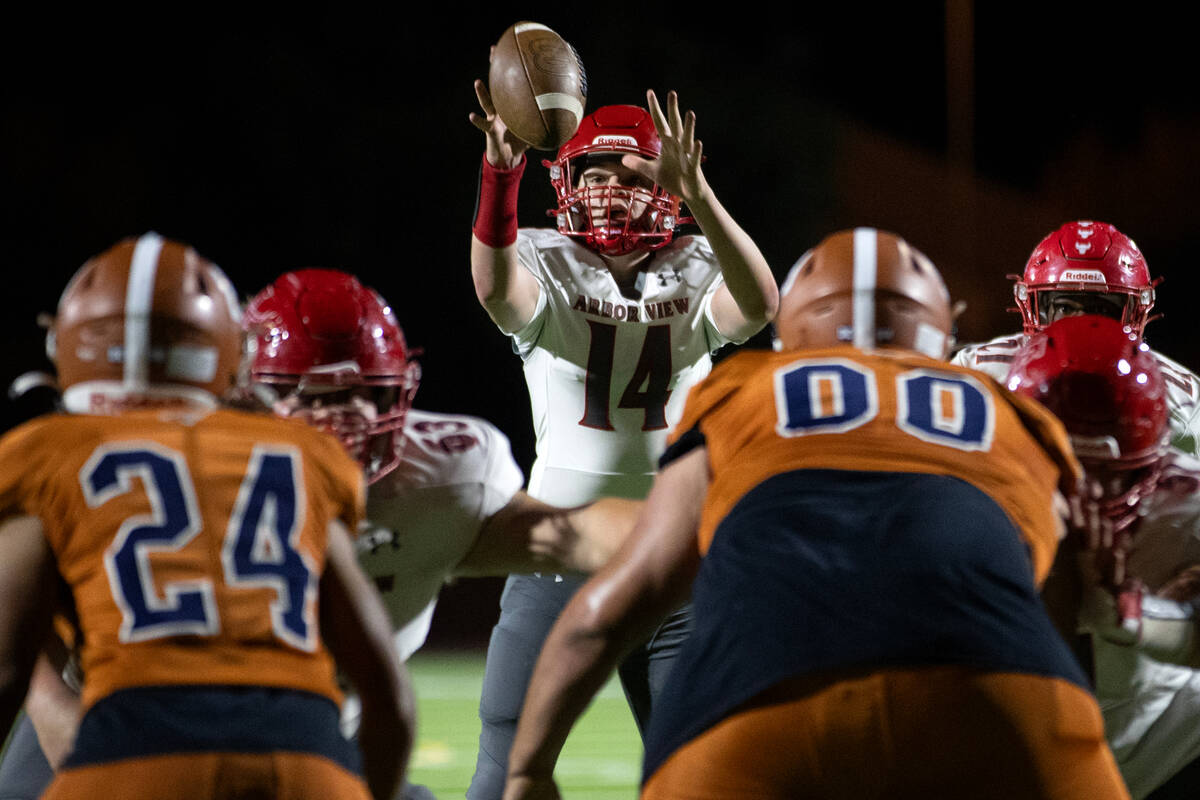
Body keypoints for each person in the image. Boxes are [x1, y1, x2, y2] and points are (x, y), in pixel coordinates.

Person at [502, 228, 1129, 800]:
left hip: (754, 705)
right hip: (1002, 695)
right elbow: (1052, 604)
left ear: (793, 332)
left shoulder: (743, 390)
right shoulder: (1013, 415)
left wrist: (528, 769)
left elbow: (612, 608)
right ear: (942, 328)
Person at [2, 267, 639, 800]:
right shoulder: (163, 469)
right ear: (240, 392)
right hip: (120, 716)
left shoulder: (441, 480)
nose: (342, 418)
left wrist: (685, 529)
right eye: (302, 395)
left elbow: (565, 534)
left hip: (299, 742)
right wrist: (65, 728)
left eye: (366, 393)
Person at [0, 234, 413, 800]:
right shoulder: (301, 453)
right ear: (230, 350)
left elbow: (5, 669)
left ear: (66, 343)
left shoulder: (45, 452)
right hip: (302, 758)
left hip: (133, 756)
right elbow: (390, 700)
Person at [467, 79, 779, 797]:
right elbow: (494, 289)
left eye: (631, 174)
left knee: (698, 768)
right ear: (566, 183)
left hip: (668, 558)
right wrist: (498, 177)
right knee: (509, 762)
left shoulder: (698, 265)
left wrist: (700, 193)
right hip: (555, 549)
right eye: (594, 174)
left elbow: (760, 304)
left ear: (665, 185)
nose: (609, 189)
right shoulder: (543, 256)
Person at [1008, 314, 1200, 799]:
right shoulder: (971, 486)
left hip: (1150, 727)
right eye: (1068, 468)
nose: (1090, 494)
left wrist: (1140, 619)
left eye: (1115, 475)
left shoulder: (1185, 501)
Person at [951, 220, 1200, 454]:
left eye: (1101, 309)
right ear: (1032, 306)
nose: (1082, 324)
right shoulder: (976, 370)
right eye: (1066, 308)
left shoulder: (1184, 398)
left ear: (1138, 309)